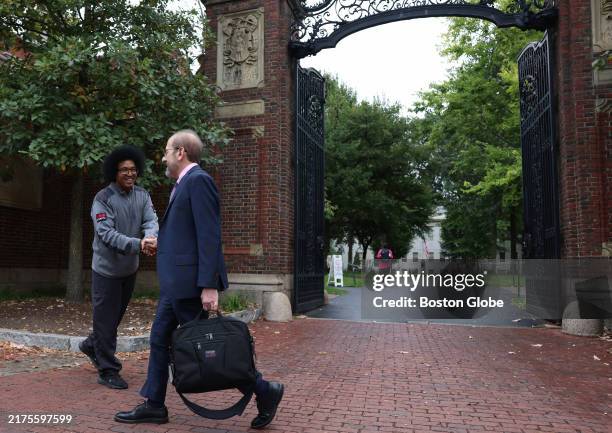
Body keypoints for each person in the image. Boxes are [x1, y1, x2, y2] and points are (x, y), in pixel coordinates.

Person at [115, 130, 284, 428]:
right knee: (158, 340)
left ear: (180, 152)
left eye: (167, 151)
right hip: (175, 286)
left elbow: (209, 236)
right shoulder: (183, 185)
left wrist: (209, 285)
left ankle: (263, 390)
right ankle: (154, 404)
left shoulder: (198, 181)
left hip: (191, 286)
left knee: (213, 350)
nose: (163, 157)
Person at [79, 145, 158, 390]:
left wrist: (151, 237)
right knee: (105, 322)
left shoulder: (142, 195)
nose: (129, 174)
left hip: (129, 270)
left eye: (133, 169)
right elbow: (106, 235)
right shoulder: (102, 199)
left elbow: (151, 220)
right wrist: (139, 244)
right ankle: (107, 370)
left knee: (111, 321)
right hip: (105, 271)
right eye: (124, 170)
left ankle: (92, 344)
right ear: (114, 172)